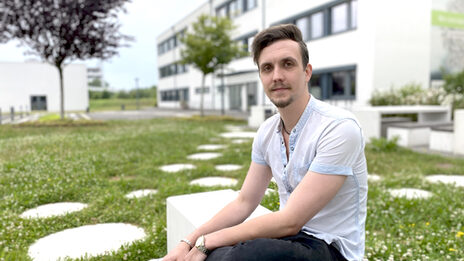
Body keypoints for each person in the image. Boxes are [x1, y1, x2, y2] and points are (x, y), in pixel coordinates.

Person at [163, 24, 367, 261]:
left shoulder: (339, 127)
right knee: (220, 254)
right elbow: (244, 201)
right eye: (267, 68)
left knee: (247, 253)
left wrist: (208, 241)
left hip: (330, 249)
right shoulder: (267, 132)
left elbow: (291, 221)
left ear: (307, 72)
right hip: (289, 240)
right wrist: (190, 241)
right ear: (261, 76)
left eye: (288, 64)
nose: (277, 76)